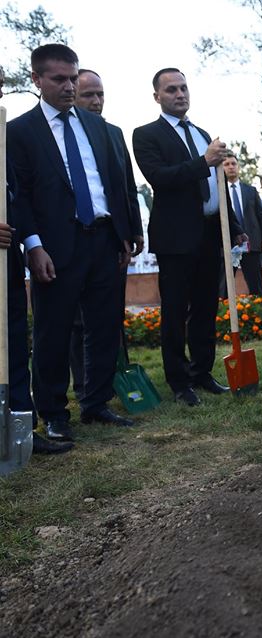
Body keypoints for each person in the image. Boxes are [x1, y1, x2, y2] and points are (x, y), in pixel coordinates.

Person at [7, 44, 136, 442]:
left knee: (104, 326)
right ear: (36, 79)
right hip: (55, 247)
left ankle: (96, 403)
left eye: (73, 78)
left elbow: (113, 182)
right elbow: (20, 196)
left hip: (104, 239)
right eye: (59, 79)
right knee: (53, 331)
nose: (69, 87)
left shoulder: (97, 126)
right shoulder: (19, 132)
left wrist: (124, 233)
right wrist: (34, 245)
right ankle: (53, 413)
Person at [132, 68, 245, 407]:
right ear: (157, 97)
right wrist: (203, 161)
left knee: (206, 307)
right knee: (175, 311)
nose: (180, 94)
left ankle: (201, 371)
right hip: (176, 237)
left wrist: (234, 225)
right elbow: (160, 177)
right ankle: (179, 381)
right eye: (171, 89)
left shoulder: (201, 133)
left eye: (183, 87)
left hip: (210, 234)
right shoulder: (146, 134)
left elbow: (217, 185)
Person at [0, 64, 72, 454]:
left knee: (13, 345)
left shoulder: (2, 136)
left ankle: (20, 432)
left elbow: (16, 196)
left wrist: (29, 242)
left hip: (6, 261)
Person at [69, 68, 145, 399]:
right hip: (71, 239)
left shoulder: (113, 133)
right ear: (73, 94)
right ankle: (83, 384)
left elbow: (126, 185)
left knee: (109, 314)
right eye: (88, 95)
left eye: (100, 94)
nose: (96, 101)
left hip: (111, 238)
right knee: (77, 320)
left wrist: (133, 230)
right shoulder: (60, 136)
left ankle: (111, 382)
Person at [222, 150, 262, 296]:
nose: (231, 167)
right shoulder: (219, 192)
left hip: (251, 245)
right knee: (223, 288)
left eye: (233, 163)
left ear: (238, 167)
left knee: (256, 288)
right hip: (228, 246)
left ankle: (259, 309)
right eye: (226, 164)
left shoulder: (251, 191)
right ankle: (224, 311)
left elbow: (261, 217)